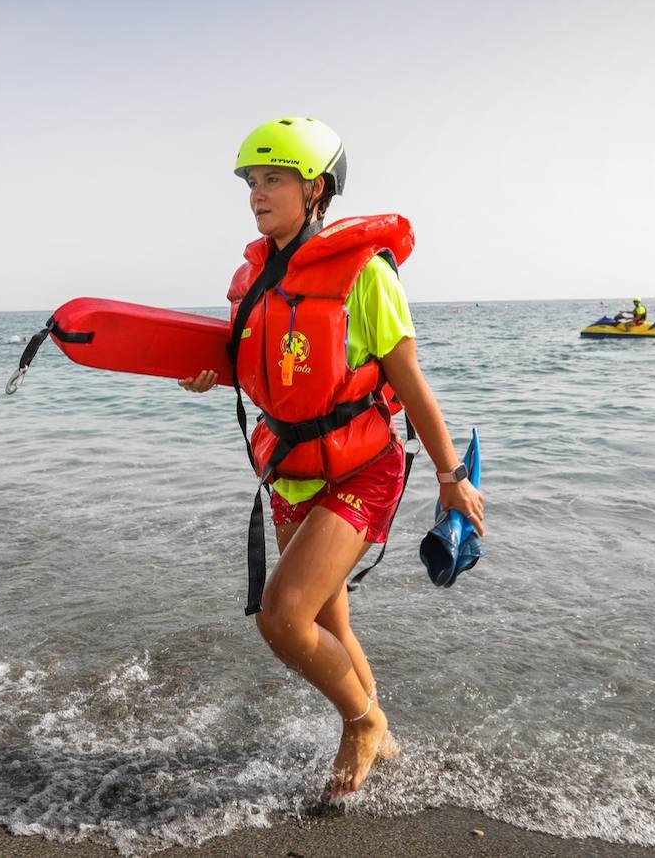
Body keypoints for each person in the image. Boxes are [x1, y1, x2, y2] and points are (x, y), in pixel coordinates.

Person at [178, 117, 485, 798]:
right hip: (291, 467)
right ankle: (386, 737)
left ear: (315, 189)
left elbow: (411, 385)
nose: (257, 193)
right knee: (326, 622)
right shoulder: (256, 277)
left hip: (363, 468)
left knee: (281, 615)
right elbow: (275, 370)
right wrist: (213, 375)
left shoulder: (366, 274)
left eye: (274, 179)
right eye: (252, 181)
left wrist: (451, 476)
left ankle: (362, 722)